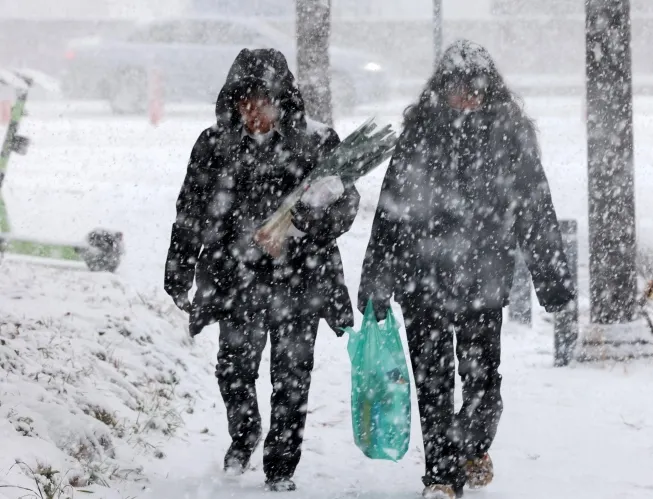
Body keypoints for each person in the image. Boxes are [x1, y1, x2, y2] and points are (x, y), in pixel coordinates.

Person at [357, 40, 575, 499]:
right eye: (456, 88)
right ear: (442, 89)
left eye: (473, 88)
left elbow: (535, 209)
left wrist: (551, 279)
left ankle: (472, 446)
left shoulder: (509, 136)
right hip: (423, 281)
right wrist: (378, 279)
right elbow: (391, 212)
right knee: (432, 384)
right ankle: (441, 476)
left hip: (483, 283)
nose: (464, 98)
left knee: (482, 383)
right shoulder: (419, 134)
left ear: (488, 89)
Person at [164, 48, 360, 492]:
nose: (253, 112)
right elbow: (190, 212)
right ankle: (245, 430)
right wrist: (178, 270)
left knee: (292, 378)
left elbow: (345, 205)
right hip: (236, 281)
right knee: (233, 371)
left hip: (301, 281)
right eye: (244, 102)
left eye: (263, 101)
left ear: (284, 101)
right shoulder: (213, 145)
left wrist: (303, 222)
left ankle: (281, 466)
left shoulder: (318, 142)